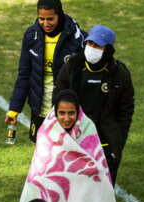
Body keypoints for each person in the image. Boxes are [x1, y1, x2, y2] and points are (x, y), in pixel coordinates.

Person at [9, 89, 122, 202]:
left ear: (78, 112)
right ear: (56, 112)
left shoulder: (88, 128)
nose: (67, 118)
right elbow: (41, 170)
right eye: (62, 113)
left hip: (82, 193)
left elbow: (98, 168)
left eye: (71, 113)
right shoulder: (46, 131)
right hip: (51, 195)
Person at [53, 25, 135, 186]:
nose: (92, 48)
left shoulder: (120, 74)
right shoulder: (72, 66)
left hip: (104, 144)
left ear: (108, 49)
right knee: (73, 191)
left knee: (102, 192)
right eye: (90, 44)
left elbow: (126, 111)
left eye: (97, 45)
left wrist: (118, 141)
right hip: (74, 139)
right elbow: (57, 99)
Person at [5, 0, 87, 142]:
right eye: (41, 19)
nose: (46, 23)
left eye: (50, 19)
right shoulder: (31, 36)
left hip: (66, 109)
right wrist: (14, 109)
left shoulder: (78, 38)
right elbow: (24, 75)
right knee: (41, 149)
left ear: (59, 15)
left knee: (65, 151)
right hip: (40, 107)